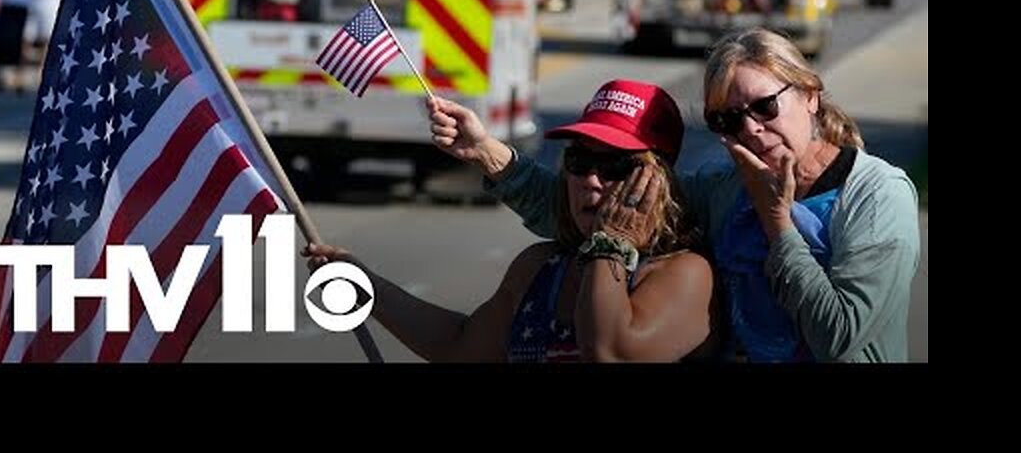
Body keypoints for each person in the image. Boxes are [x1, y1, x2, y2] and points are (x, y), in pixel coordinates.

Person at [430, 29, 920, 363]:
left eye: (766, 106)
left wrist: (778, 225)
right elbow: (598, 203)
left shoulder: (876, 196)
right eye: (728, 120)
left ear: (810, 95)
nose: (751, 128)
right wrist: (486, 152)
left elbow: (839, 339)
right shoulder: (727, 189)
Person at [305, 80, 716, 362]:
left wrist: (612, 243)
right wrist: (365, 286)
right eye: (579, 161)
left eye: (616, 166)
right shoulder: (540, 267)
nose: (591, 179)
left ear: (657, 181)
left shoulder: (685, 273)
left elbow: (609, 353)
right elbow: (459, 347)